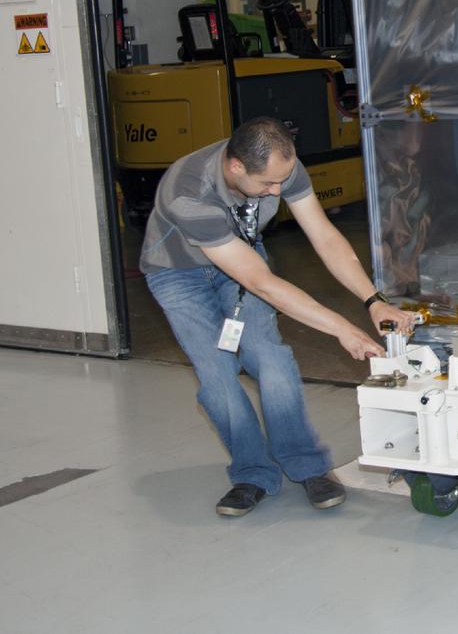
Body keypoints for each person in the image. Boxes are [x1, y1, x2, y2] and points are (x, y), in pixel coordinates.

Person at [141, 117, 417, 517]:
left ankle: (307, 466)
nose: (277, 191)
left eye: (281, 182)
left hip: (241, 256)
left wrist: (372, 300)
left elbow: (323, 235)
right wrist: (343, 329)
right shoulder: (189, 192)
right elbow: (261, 283)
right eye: (267, 186)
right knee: (218, 375)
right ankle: (252, 473)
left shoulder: (280, 166)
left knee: (270, 357)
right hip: (179, 275)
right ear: (235, 167)